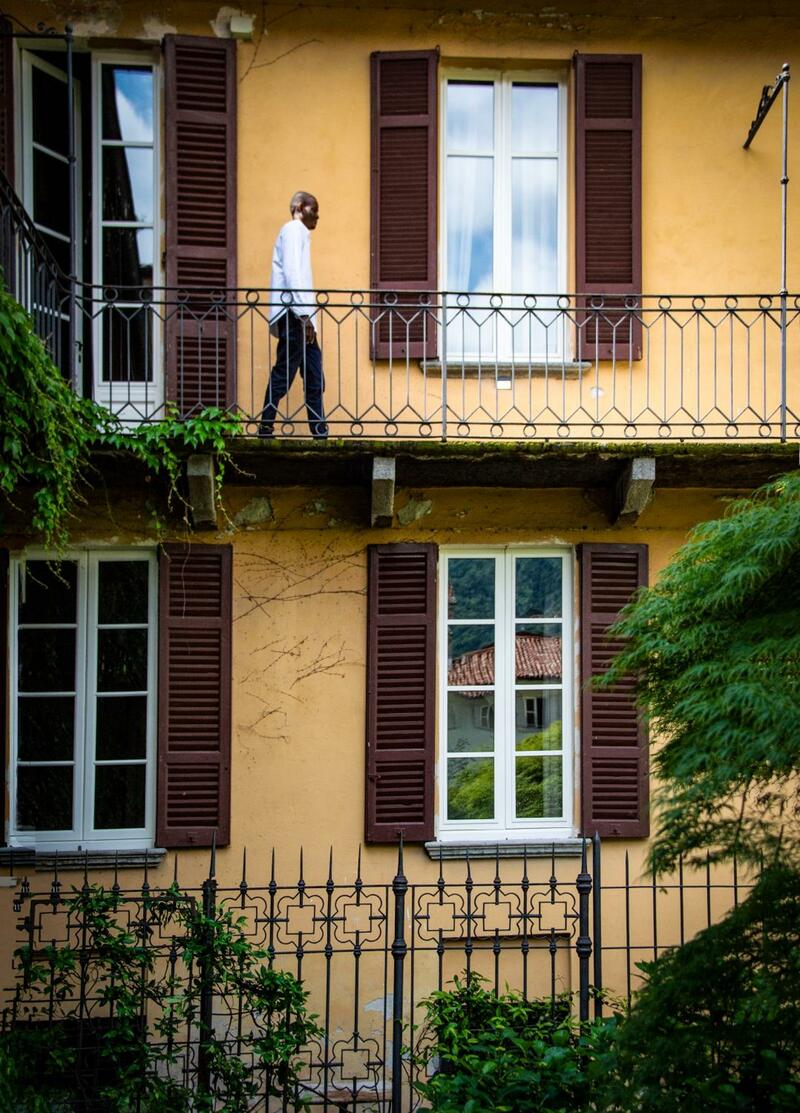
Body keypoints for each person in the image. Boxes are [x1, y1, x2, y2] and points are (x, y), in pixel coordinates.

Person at [259, 191, 327, 438]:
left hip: (302, 317)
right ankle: (266, 426)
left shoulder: (300, 234)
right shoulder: (292, 229)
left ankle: (320, 432)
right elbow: (292, 272)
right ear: (299, 207)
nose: (317, 217)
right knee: (285, 370)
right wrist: (304, 314)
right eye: (313, 210)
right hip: (295, 316)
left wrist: (308, 317)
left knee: (314, 374)